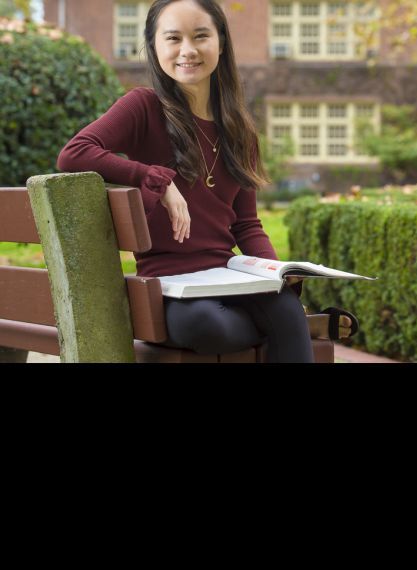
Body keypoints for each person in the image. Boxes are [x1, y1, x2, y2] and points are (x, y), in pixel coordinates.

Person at [57, 0, 315, 362]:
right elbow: (75, 152)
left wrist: (274, 272)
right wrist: (155, 178)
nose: (188, 51)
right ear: (155, 46)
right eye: (173, 38)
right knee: (211, 326)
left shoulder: (239, 130)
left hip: (228, 276)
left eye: (200, 36)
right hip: (170, 287)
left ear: (221, 43)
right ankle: (307, 326)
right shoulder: (143, 107)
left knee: (284, 305)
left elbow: (246, 223)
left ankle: (291, 321)